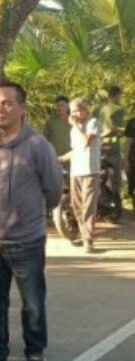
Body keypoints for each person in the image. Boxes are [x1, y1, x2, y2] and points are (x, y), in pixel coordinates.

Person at [0, 81, 62, 361]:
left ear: (22, 108)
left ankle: (35, 353)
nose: (0, 109)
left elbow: (54, 189)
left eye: (7, 103)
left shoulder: (38, 146)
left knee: (32, 303)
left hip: (27, 241)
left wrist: (32, 216)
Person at [68, 98, 101, 253]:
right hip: (76, 170)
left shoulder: (93, 122)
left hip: (90, 170)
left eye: (78, 110)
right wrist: (59, 158)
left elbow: (87, 142)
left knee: (88, 206)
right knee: (76, 205)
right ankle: (83, 235)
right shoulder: (73, 129)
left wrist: (75, 125)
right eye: (73, 111)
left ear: (85, 110)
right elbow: (75, 150)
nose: (75, 113)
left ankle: (88, 239)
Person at [97, 85, 125, 214]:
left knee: (100, 178)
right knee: (115, 180)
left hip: (99, 148)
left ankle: (103, 205)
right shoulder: (118, 109)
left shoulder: (97, 108)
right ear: (117, 95)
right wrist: (113, 131)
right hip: (113, 149)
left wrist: (98, 136)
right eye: (120, 96)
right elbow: (117, 128)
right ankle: (116, 209)